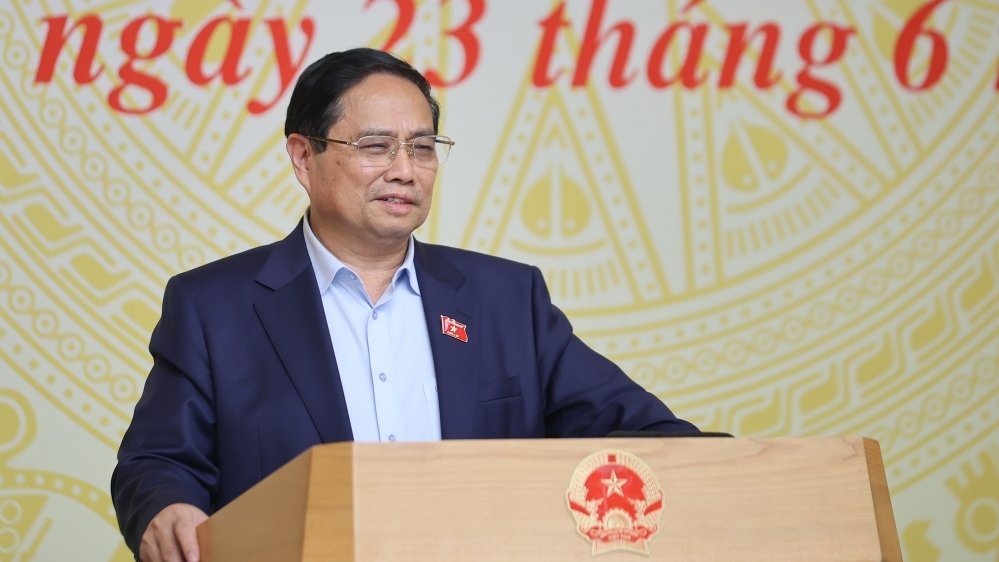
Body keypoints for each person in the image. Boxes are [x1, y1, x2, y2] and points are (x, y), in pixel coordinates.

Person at [111, 47, 696, 562]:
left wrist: (729, 468)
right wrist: (166, 508)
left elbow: (643, 430)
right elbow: (157, 464)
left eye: (422, 148)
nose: (405, 171)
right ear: (303, 157)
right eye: (376, 146)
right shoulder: (215, 307)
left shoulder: (505, 299)